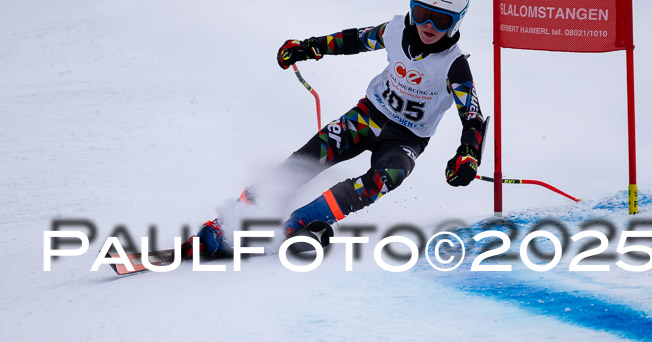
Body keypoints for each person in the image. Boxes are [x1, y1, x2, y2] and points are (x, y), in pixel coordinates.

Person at [183, 0, 485, 257]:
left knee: (387, 177)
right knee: (309, 157)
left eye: (442, 20)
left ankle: (302, 222)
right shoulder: (395, 30)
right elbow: (355, 40)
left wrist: (468, 153)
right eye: (421, 14)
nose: (429, 25)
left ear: (457, 22)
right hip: (369, 116)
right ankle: (228, 222)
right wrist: (309, 47)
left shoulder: (453, 64)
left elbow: (471, 114)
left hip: (407, 138)